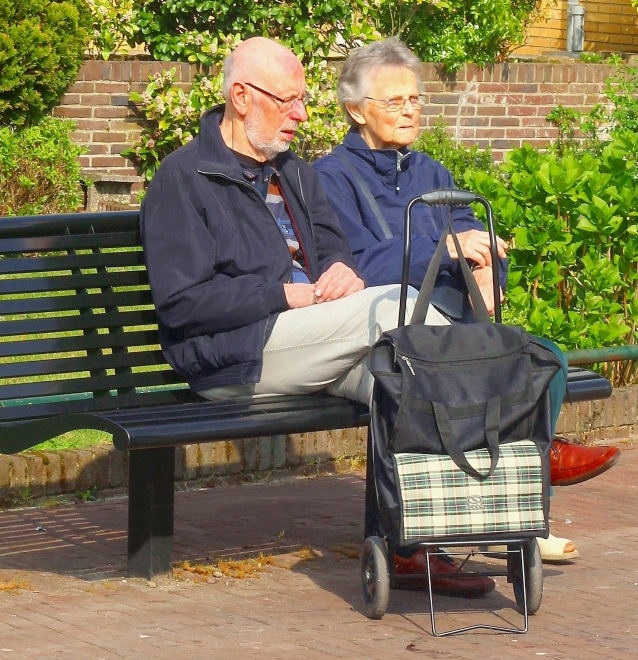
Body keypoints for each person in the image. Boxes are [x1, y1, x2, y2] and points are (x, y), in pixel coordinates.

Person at [139, 37, 496, 597]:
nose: (303, 115)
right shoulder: (183, 180)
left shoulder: (295, 174)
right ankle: (508, 438)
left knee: (402, 378)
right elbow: (182, 302)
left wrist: (342, 276)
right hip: (234, 356)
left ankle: (409, 547)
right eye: (288, 101)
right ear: (240, 96)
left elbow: (337, 254)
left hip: (316, 341)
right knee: (398, 308)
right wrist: (287, 296)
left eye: (303, 100)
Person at [313, 37, 621, 564]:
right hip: (393, 335)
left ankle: (524, 514)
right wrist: (445, 249)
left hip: (457, 325)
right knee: (470, 378)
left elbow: (472, 235)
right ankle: (535, 472)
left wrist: (489, 271)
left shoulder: (430, 172)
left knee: (544, 358)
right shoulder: (330, 178)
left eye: (415, 100)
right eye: (394, 102)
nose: (409, 111)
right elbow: (354, 267)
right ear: (355, 110)